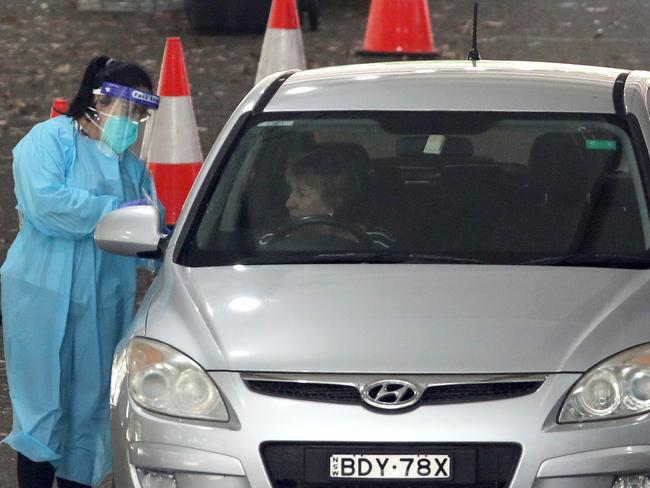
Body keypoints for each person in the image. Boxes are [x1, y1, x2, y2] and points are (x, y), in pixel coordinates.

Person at [0, 56, 162, 488]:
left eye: (140, 117)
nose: (133, 124)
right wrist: (116, 212)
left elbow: (152, 224)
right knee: (42, 407)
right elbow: (47, 205)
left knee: (90, 409)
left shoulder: (131, 166)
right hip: (42, 293)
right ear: (100, 101)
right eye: (128, 112)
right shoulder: (47, 141)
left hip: (103, 298)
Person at [277, 144, 394, 248]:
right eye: (291, 192)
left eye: (302, 194)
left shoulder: (376, 243)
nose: (289, 203)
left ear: (334, 202)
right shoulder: (274, 242)